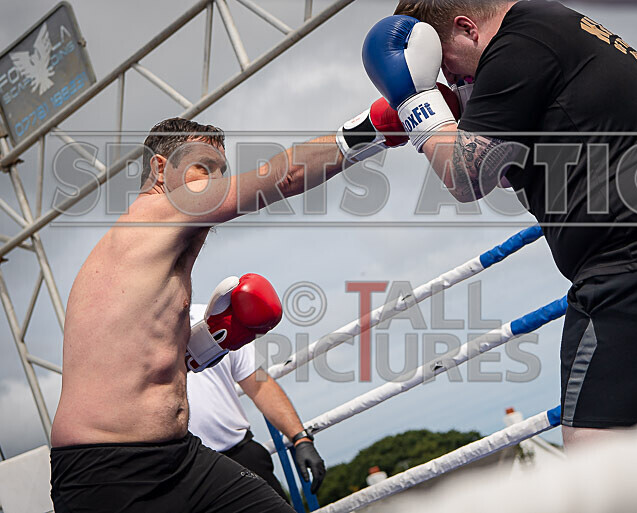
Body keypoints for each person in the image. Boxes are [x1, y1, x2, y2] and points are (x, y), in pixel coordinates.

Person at [361, 0, 637, 448]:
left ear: (466, 28)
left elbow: (466, 176)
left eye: (446, 66)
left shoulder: (515, 47)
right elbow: (509, 167)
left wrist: (418, 106)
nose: (449, 80)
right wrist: (464, 104)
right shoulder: (554, 24)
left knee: (598, 461)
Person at [48, 109, 428, 512]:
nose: (213, 182)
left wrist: (207, 342)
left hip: (180, 457)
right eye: (202, 168)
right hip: (107, 474)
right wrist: (376, 126)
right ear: (161, 169)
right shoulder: (157, 213)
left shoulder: (150, 256)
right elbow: (284, 177)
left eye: (221, 171)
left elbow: (143, 361)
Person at [186, 307, 325, 502]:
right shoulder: (132, 334)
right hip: (178, 472)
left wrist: (300, 438)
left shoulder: (212, 319)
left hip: (239, 456)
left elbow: (259, 385)